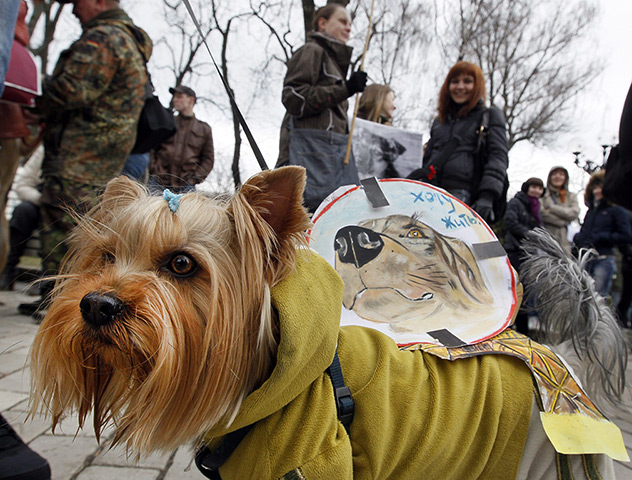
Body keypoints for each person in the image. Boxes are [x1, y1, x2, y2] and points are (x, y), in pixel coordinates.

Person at [18, 0, 152, 318]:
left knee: (64, 225)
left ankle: (58, 306)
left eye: (77, 3)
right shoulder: (127, 40)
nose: (74, 10)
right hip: (100, 153)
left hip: (80, 153)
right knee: (76, 224)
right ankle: (54, 300)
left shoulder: (104, 37)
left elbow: (73, 89)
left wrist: (33, 98)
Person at [408, 61, 508, 224]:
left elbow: (498, 157)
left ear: (477, 86)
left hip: (464, 196)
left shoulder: (489, 116)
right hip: (430, 194)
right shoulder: (439, 122)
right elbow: (429, 159)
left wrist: (487, 196)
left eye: (467, 81)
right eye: (455, 81)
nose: (460, 86)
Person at [275, 3, 367, 175]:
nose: (348, 27)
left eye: (350, 24)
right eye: (342, 21)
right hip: (305, 157)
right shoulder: (312, 50)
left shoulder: (335, 64)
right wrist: (346, 89)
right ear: (322, 23)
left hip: (327, 159)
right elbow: (293, 98)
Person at [573, 170, 632, 299]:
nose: (597, 191)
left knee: (598, 298)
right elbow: (585, 232)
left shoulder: (617, 211)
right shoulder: (591, 212)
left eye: (600, 187)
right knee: (581, 297)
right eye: (595, 187)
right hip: (585, 259)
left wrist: (602, 237)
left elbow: (626, 235)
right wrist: (578, 238)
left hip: (604, 259)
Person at [148, 85, 214, 192]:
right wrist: (155, 171)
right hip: (159, 183)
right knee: (152, 209)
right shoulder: (167, 122)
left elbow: (208, 159)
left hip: (186, 186)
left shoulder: (204, 129)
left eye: (179, 97)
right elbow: (152, 148)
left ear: (191, 100)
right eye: (174, 97)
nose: (175, 99)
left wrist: (194, 178)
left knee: (187, 210)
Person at [503, 177, 545, 335]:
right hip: (515, 250)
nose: (536, 190)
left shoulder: (536, 207)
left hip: (529, 253)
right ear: (527, 187)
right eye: (534, 187)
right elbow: (511, 223)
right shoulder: (517, 202)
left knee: (525, 292)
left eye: (540, 188)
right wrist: (532, 235)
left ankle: (522, 330)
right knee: (515, 289)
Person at [0, 149, 43, 290]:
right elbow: (23, 186)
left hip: (68, 210)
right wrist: (43, 199)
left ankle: (47, 277)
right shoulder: (45, 150)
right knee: (23, 210)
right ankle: (7, 269)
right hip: (41, 203)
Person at [540, 166, 580, 256]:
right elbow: (542, 213)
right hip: (546, 239)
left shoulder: (571, 196)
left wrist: (552, 208)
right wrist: (564, 221)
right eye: (554, 174)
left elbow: (574, 213)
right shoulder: (543, 195)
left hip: (566, 243)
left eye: (561, 174)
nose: (557, 176)